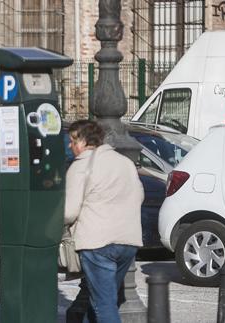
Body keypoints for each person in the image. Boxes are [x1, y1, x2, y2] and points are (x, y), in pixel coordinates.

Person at [64, 120, 143, 323]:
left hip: (98, 244)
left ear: (82, 141)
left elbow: (69, 212)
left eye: (72, 141)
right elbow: (139, 195)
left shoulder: (81, 166)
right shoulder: (124, 163)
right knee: (100, 299)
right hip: (128, 242)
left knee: (103, 305)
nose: (69, 146)